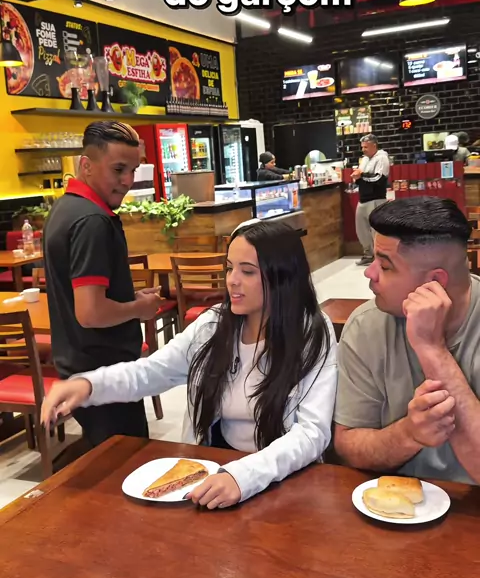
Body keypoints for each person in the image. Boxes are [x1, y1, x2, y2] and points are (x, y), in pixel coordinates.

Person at [42, 219, 338, 508]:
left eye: (247, 271)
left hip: (281, 480)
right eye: (229, 268)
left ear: (283, 277)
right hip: (214, 472)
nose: (232, 280)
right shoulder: (213, 326)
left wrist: (244, 476)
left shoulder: (311, 332)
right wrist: (89, 384)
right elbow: (151, 371)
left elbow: (311, 433)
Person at [333, 196, 480, 485]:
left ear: (433, 283)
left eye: (385, 266)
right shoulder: (366, 327)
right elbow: (347, 445)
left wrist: (433, 349)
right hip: (394, 501)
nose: (369, 273)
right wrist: (409, 434)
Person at [43, 121, 161, 448]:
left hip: (80, 363)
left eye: (133, 170)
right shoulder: (92, 220)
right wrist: (140, 308)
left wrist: (127, 296)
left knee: (107, 457)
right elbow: (91, 312)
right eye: (118, 169)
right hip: (103, 371)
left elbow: (86, 295)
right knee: (126, 460)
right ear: (86, 165)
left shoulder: (65, 208)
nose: (127, 181)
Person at [351, 134, 390, 267]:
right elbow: (361, 176)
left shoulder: (382, 158)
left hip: (376, 199)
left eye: (366, 147)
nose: (363, 150)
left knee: (376, 231)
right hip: (363, 199)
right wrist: (357, 176)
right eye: (362, 147)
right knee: (361, 229)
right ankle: (368, 254)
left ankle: (380, 257)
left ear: (374, 145)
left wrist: (360, 175)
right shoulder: (364, 159)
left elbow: (379, 179)